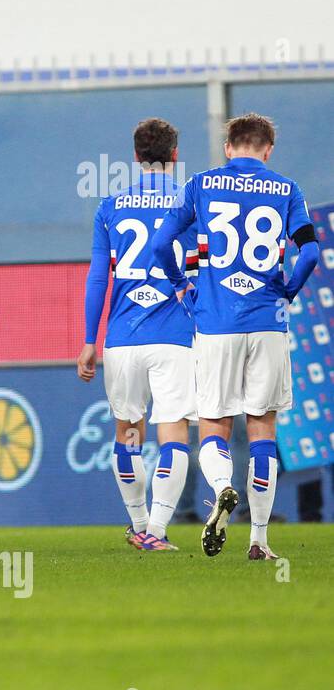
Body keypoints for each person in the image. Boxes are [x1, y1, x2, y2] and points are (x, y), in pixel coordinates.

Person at [152, 112, 318, 560]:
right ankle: (259, 541)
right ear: (268, 150)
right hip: (267, 324)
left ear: (229, 147)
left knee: (213, 426)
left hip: (215, 325)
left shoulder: (202, 185)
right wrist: (289, 288)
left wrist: (182, 285)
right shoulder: (287, 189)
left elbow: (160, 243)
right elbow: (311, 252)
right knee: (262, 429)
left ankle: (223, 488)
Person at [76, 118, 197, 551]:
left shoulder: (110, 206)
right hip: (175, 336)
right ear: (176, 155)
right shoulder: (192, 203)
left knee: (128, 432)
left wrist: (90, 341)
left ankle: (139, 524)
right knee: (174, 432)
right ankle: (158, 530)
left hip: (122, 339)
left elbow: (97, 278)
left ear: (135, 157)